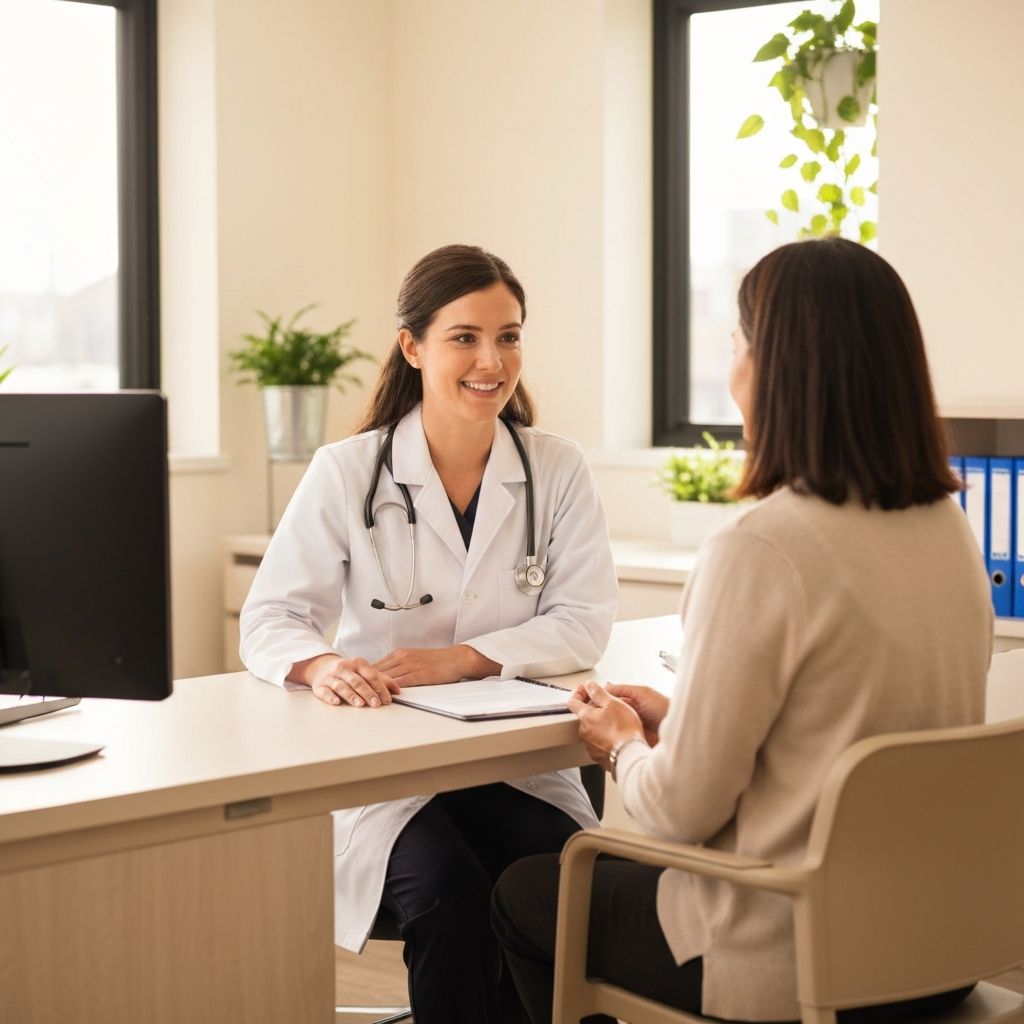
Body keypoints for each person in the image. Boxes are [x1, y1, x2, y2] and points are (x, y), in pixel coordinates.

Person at [492, 237, 993, 1024]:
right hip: (933, 950)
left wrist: (622, 742)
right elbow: (844, 744)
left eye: (736, 343)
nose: (732, 367)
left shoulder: (762, 546)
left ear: (775, 366)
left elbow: (676, 813)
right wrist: (676, 724)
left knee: (527, 889)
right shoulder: (950, 532)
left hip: (789, 956)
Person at [239, 243, 618, 1023]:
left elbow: (584, 620)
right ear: (413, 347)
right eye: (465, 337)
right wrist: (320, 668)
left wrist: (462, 660)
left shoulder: (556, 469)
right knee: (448, 892)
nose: (491, 360)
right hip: (388, 771)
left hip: (510, 762)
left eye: (508, 336)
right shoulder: (347, 471)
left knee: (561, 885)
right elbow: (271, 617)